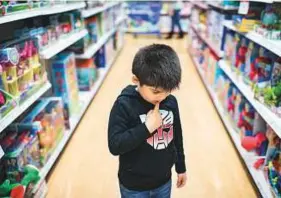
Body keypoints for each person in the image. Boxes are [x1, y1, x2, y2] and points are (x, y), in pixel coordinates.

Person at [108, 44, 187, 198]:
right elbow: (115, 145)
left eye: (168, 90)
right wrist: (147, 127)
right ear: (136, 80)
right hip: (134, 187)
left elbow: (177, 136)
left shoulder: (170, 102)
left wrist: (181, 167)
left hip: (164, 181)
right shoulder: (124, 105)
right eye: (156, 91)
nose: (162, 97)